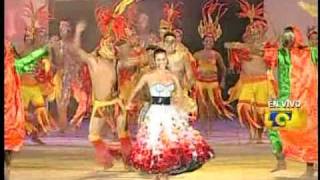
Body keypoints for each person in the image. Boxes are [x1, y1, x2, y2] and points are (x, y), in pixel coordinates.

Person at [127, 48, 214, 180]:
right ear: (155, 61)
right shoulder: (148, 76)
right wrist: (129, 103)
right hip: (155, 111)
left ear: (166, 60)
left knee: (170, 141)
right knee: (155, 141)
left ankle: (165, 172)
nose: (161, 62)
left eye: (163, 59)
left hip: (169, 111)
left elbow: (179, 93)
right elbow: (135, 90)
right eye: (158, 59)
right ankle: (157, 171)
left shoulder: (172, 76)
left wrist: (181, 106)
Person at [264, 26, 318, 177]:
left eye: (290, 37)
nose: (287, 40)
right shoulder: (280, 53)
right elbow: (266, 57)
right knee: (274, 129)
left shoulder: (309, 53)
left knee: (306, 134)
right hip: (284, 99)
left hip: (303, 100)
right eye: (285, 37)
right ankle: (281, 160)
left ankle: (309, 168)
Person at [224, 0, 276, 144]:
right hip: (247, 81)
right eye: (252, 30)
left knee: (260, 111)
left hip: (262, 81)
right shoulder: (243, 46)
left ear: (262, 31)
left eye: (257, 30)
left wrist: (255, 50)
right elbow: (227, 45)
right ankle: (251, 133)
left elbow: (270, 56)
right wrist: (241, 46)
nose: (254, 32)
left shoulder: (267, 46)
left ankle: (258, 135)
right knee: (244, 107)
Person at [193, 0, 233, 134]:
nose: (208, 42)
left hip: (213, 84)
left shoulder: (216, 55)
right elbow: (192, 68)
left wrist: (222, 81)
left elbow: (223, 68)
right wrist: (192, 81)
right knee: (201, 106)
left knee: (211, 106)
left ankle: (209, 128)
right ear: (203, 41)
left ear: (213, 42)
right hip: (200, 83)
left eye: (211, 41)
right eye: (206, 41)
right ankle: (203, 127)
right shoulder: (197, 54)